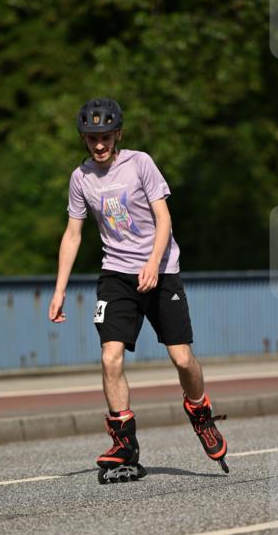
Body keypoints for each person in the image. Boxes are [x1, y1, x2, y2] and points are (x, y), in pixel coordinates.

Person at [48, 97, 228, 483]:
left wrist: (152, 262)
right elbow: (73, 234)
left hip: (161, 273)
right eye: (91, 138)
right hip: (116, 276)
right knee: (110, 357)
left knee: (182, 360)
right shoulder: (80, 179)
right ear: (83, 138)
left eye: (105, 136)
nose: (99, 145)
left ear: (118, 135)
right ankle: (124, 444)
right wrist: (59, 289)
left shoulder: (140, 163)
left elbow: (164, 219)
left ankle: (200, 411)